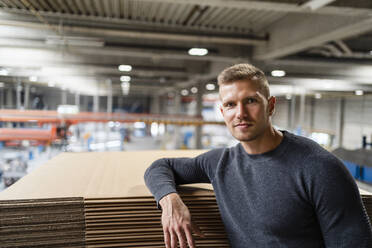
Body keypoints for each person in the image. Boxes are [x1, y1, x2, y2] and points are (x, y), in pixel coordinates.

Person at [144, 64, 372, 248]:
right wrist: (170, 201)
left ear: (270, 106)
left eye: (251, 101)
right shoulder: (219, 163)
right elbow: (160, 167)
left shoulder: (319, 167)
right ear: (223, 113)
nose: (240, 113)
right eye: (231, 105)